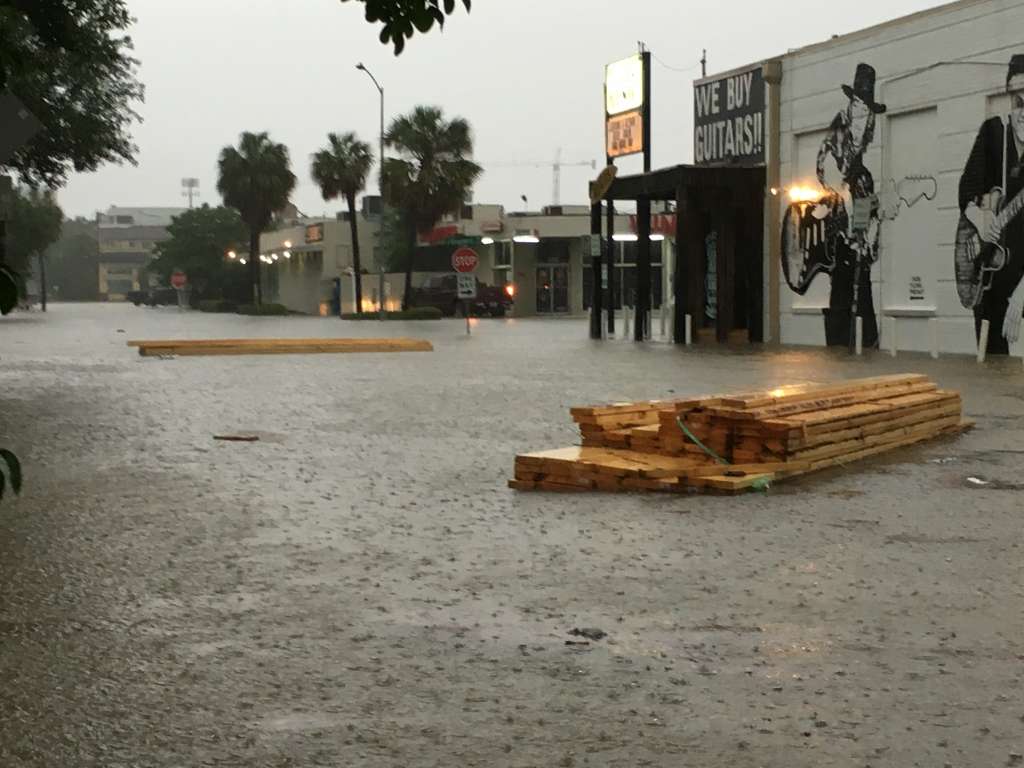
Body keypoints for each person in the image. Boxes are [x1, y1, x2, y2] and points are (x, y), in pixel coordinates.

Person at [816, 63, 887, 348]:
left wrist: (874, 226)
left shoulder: (865, 178)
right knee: (841, 305)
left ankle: (864, 349)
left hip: (857, 263)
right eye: (857, 106)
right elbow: (828, 173)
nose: (861, 118)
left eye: (866, 112)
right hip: (837, 254)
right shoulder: (836, 138)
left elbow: (868, 228)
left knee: (864, 315)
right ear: (849, 108)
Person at [957, 54, 1024, 355]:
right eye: (1017, 99)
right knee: (991, 360)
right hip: (989, 275)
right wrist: (980, 218)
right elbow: (966, 189)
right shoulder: (994, 133)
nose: (1022, 110)